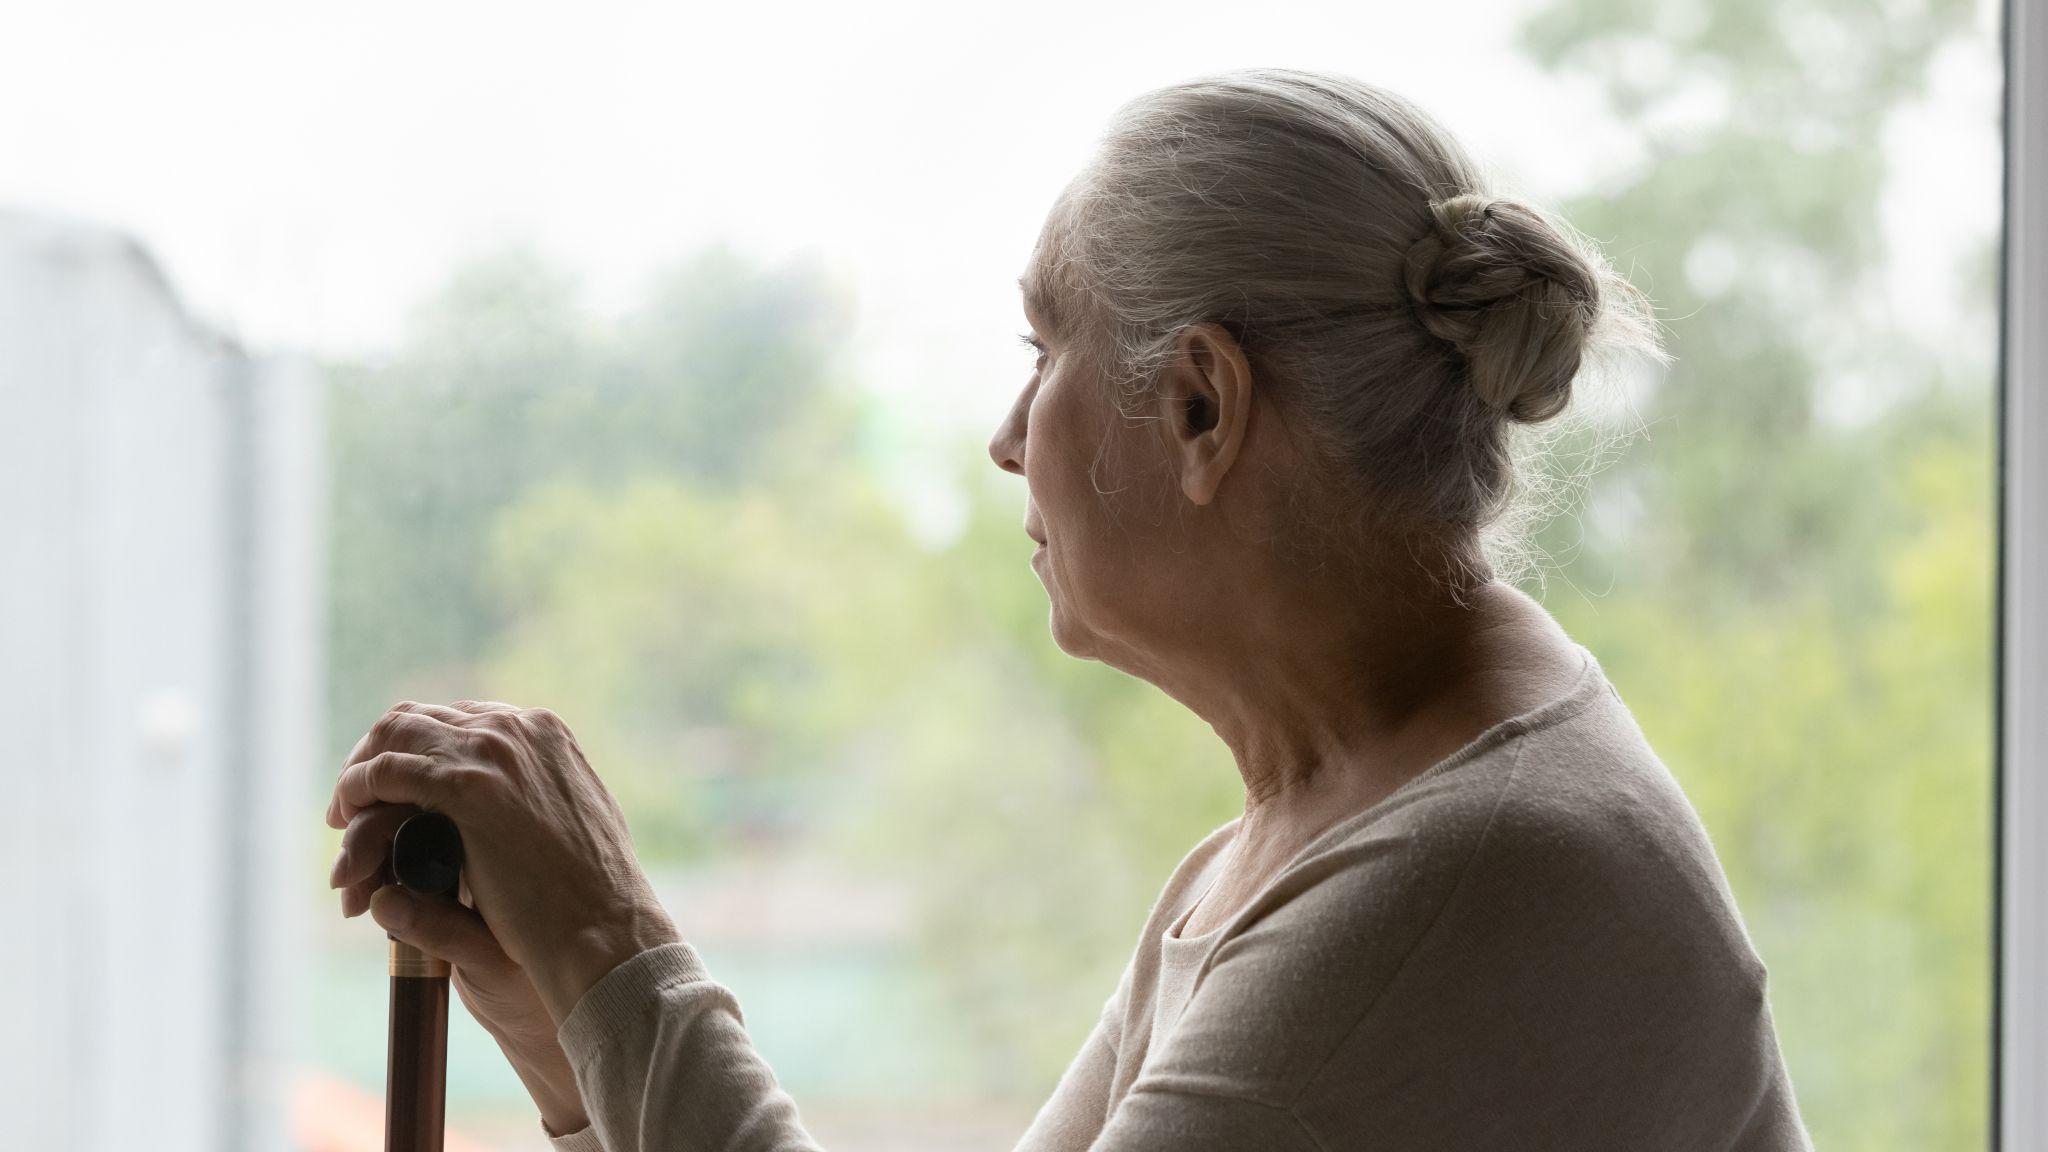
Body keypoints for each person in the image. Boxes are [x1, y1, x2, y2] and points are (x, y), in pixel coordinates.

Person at [326, 67, 1811, 1150]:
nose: (1006, 434)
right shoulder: (1322, 839)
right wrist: (583, 1051)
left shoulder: (1475, 874)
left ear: (1202, 404)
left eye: (1047, 346)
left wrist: (608, 949)